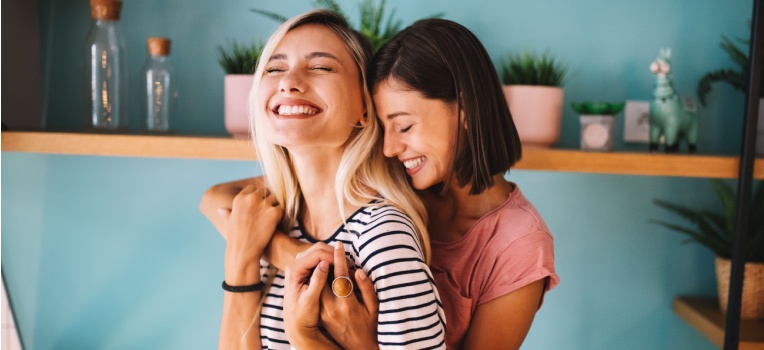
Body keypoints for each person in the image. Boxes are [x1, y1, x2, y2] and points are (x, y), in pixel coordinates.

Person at [203, 17, 559, 350]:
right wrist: (281, 252)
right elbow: (216, 198)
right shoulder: (396, 176)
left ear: (464, 110)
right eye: (383, 125)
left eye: (404, 126)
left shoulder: (515, 242)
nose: (388, 148)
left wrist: (340, 339)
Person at [205, 9, 446, 349]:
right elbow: (212, 198)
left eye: (321, 67)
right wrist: (248, 259)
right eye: (274, 69)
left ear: (365, 108)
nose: (289, 82)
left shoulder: (383, 236)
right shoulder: (274, 221)